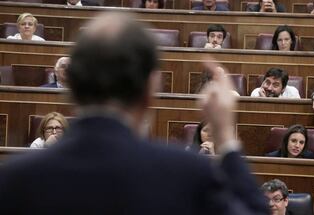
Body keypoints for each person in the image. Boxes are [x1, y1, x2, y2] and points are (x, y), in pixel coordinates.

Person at [0, 12, 268, 214]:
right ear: (152, 87)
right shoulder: (184, 174)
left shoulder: (14, 180)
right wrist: (226, 140)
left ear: (73, 85)